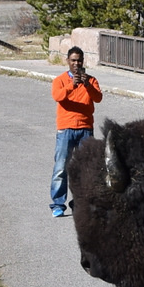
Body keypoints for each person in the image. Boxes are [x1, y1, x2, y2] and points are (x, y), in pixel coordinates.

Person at [51, 45, 101, 217]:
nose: (76, 63)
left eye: (79, 60)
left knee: (86, 169)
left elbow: (98, 98)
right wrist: (72, 85)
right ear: (68, 61)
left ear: (83, 61)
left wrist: (86, 84)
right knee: (61, 168)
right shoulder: (60, 80)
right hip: (66, 129)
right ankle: (58, 204)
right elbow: (57, 96)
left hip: (85, 129)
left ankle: (80, 202)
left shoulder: (92, 80)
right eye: (73, 60)